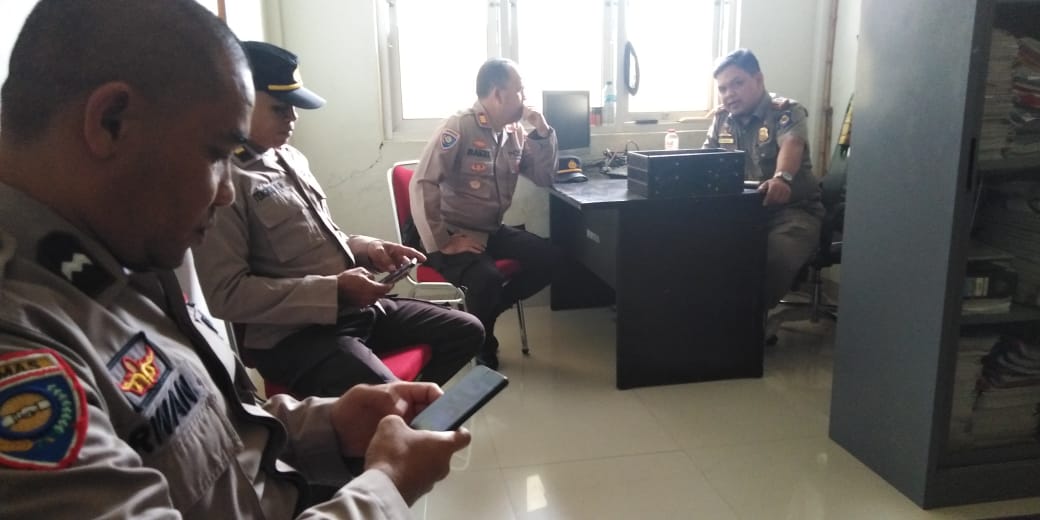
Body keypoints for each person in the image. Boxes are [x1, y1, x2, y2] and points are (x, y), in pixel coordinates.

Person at [0, 2, 468, 517]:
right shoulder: (23, 342)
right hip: (304, 332)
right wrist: (385, 489)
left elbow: (207, 433)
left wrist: (324, 426)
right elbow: (231, 296)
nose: (225, 190)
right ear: (111, 122)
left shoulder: (128, 254)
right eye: (216, 154)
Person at [192, 41, 483, 396]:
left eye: (294, 108)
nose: (293, 118)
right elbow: (226, 294)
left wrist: (368, 248)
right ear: (239, 103)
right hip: (294, 337)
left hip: (351, 311)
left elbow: (318, 237)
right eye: (280, 109)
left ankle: (400, 415)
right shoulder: (223, 182)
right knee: (391, 398)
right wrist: (334, 290)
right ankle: (394, 414)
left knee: (467, 331)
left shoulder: (289, 157)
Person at [410, 58, 559, 369]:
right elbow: (422, 182)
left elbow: (544, 177)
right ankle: (482, 342)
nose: (525, 98)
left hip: (491, 229)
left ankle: (488, 312)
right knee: (487, 279)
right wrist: (442, 242)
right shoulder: (459, 126)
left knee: (550, 258)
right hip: (453, 231)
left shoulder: (514, 132)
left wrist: (543, 132)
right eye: (520, 90)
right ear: (498, 94)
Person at [703, 49, 824, 321]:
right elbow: (705, 160)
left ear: (758, 80)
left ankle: (746, 325)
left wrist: (781, 178)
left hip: (793, 212)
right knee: (697, 247)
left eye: (737, 83)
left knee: (771, 259)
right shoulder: (722, 119)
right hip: (742, 212)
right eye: (722, 88)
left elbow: (792, 144)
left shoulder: (785, 111)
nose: (729, 94)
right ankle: (711, 320)